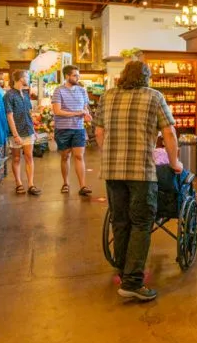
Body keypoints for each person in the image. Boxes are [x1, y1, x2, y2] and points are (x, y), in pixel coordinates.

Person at [95, 61, 182, 302]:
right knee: (142, 222)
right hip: (141, 172)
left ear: (123, 76)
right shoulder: (154, 97)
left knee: (120, 220)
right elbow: (169, 133)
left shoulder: (108, 96)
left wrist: (109, 154)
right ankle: (133, 282)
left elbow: (99, 132)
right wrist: (175, 163)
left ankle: (123, 269)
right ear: (147, 78)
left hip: (112, 172)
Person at [52, 65, 92, 196]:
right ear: (67, 76)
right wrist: (77, 113)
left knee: (79, 156)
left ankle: (83, 186)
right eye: (75, 75)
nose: (77, 77)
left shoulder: (82, 91)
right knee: (65, 156)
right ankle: (65, 183)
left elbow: (85, 108)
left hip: (78, 128)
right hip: (63, 129)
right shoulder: (59, 91)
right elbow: (57, 111)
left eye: (78, 75)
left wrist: (86, 114)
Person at [5, 69, 41, 196]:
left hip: (28, 130)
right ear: (21, 78)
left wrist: (34, 130)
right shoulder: (9, 95)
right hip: (15, 132)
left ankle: (31, 184)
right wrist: (15, 135)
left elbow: (29, 113)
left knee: (29, 157)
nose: (29, 79)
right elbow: (9, 116)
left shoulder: (25, 94)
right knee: (15, 158)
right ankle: (19, 184)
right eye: (27, 76)